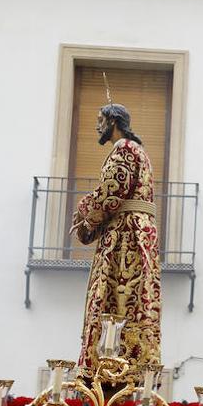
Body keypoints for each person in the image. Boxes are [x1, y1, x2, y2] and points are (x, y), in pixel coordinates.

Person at [70, 102, 162, 375]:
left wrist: (83, 213)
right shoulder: (139, 151)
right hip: (137, 233)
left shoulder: (124, 149)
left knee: (116, 300)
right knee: (136, 302)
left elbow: (111, 192)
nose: (97, 126)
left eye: (101, 120)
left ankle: (110, 366)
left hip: (125, 238)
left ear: (114, 122)